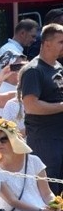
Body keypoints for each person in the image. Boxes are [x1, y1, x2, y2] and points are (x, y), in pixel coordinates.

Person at [20, 23, 63, 194]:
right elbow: (31, 106)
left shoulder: (58, 67)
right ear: (47, 43)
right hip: (44, 140)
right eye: (61, 42)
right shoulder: (34, 70)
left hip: (59, 137)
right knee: (49, 191)